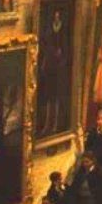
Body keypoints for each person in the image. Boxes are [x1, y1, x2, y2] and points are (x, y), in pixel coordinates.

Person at [38, 8, 71, 136]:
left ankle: (55, 125)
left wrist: (61, 56)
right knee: (48, 97)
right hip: (49, 66)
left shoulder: (63, 30)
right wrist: (51, 52)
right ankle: (47, 124)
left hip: (59, 67)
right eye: (55, 16)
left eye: (58, 16)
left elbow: (65, 47)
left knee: (56, 97)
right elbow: (45, 44)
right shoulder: (49, 29)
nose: (56, 17)